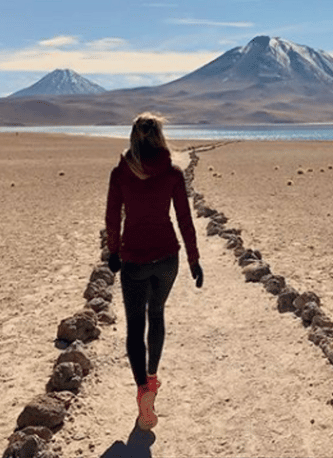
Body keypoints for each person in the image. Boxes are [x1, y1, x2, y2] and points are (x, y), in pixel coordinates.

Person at [105, 113, 204, 431]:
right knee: (157, 315)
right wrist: (193, 260)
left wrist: (114, 252)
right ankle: (152, 376)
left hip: (134, 258)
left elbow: (112, 218)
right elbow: (185, 219)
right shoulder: (173, 173)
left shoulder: (120, 173)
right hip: (166, 258)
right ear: (160, 136)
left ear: (132, 136)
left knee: (135, 328)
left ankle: (143, 392)